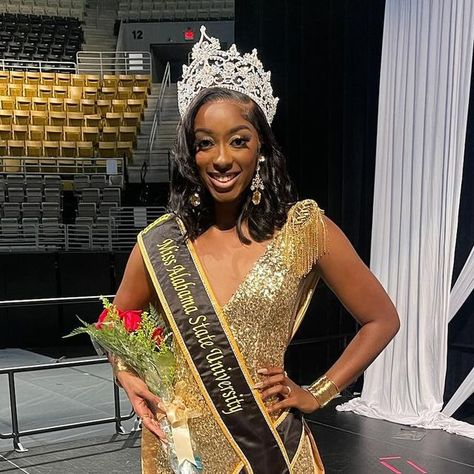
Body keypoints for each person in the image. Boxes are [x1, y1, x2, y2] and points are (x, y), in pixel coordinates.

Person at [111, 27, 400, 474]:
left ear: (260, 146)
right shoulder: (161, 242)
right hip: (185, 450)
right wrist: (127, 375)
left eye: (238, 140)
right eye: (205, 142)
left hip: (272, 447)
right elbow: (119, 322)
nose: (221, 158)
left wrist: (318, 392)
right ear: (192, 152)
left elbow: (382, 319)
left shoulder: (304, 230)